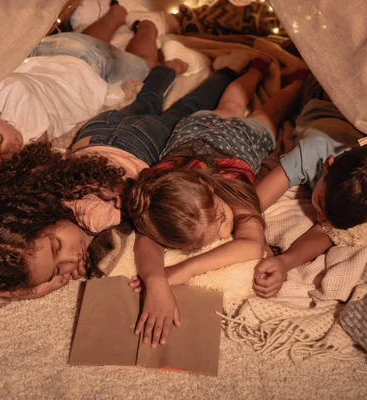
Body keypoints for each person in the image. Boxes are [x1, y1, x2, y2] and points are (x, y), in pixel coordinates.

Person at [0, 59, 247, 300]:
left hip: (136, 143)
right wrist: (31, 287)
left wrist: (36, 290)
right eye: (57, 270)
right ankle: (166, 69)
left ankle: (228, 72)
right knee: (143, 102)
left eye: (57, 247)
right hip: (96, 132)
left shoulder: (94, 216)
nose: (70, 259)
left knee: (184, 110)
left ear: (37, 221)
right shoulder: (26, 205)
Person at [0, 3, 165, 225]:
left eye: (0, 137)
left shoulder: (22, 108)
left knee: (143, 64)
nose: (13, 144)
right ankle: (116, 13)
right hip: (52, 53)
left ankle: (147, 26)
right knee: (86, 41)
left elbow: (36, 180)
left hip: (91, 67)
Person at [125, 58, 309, 347]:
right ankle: (254, 69)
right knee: (230, 106)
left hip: (244, 137)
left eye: (223, 219)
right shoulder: (161, 201)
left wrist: (182, 270)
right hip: (193, 129)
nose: (227, 233)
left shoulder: (233, 190)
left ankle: (293, 81)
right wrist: (156, 279)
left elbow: (249, 244)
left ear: (207, 185)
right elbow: (146, 238)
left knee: (267, 114)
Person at [252, 86, 367, 298]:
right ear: (327, 165)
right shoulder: (312, 152)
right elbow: (254, 202)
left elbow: (325, 231)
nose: (319, 218)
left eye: (326, 218)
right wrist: (258, 242)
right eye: (319, 203)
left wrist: (284, 262)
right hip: (318, 99)